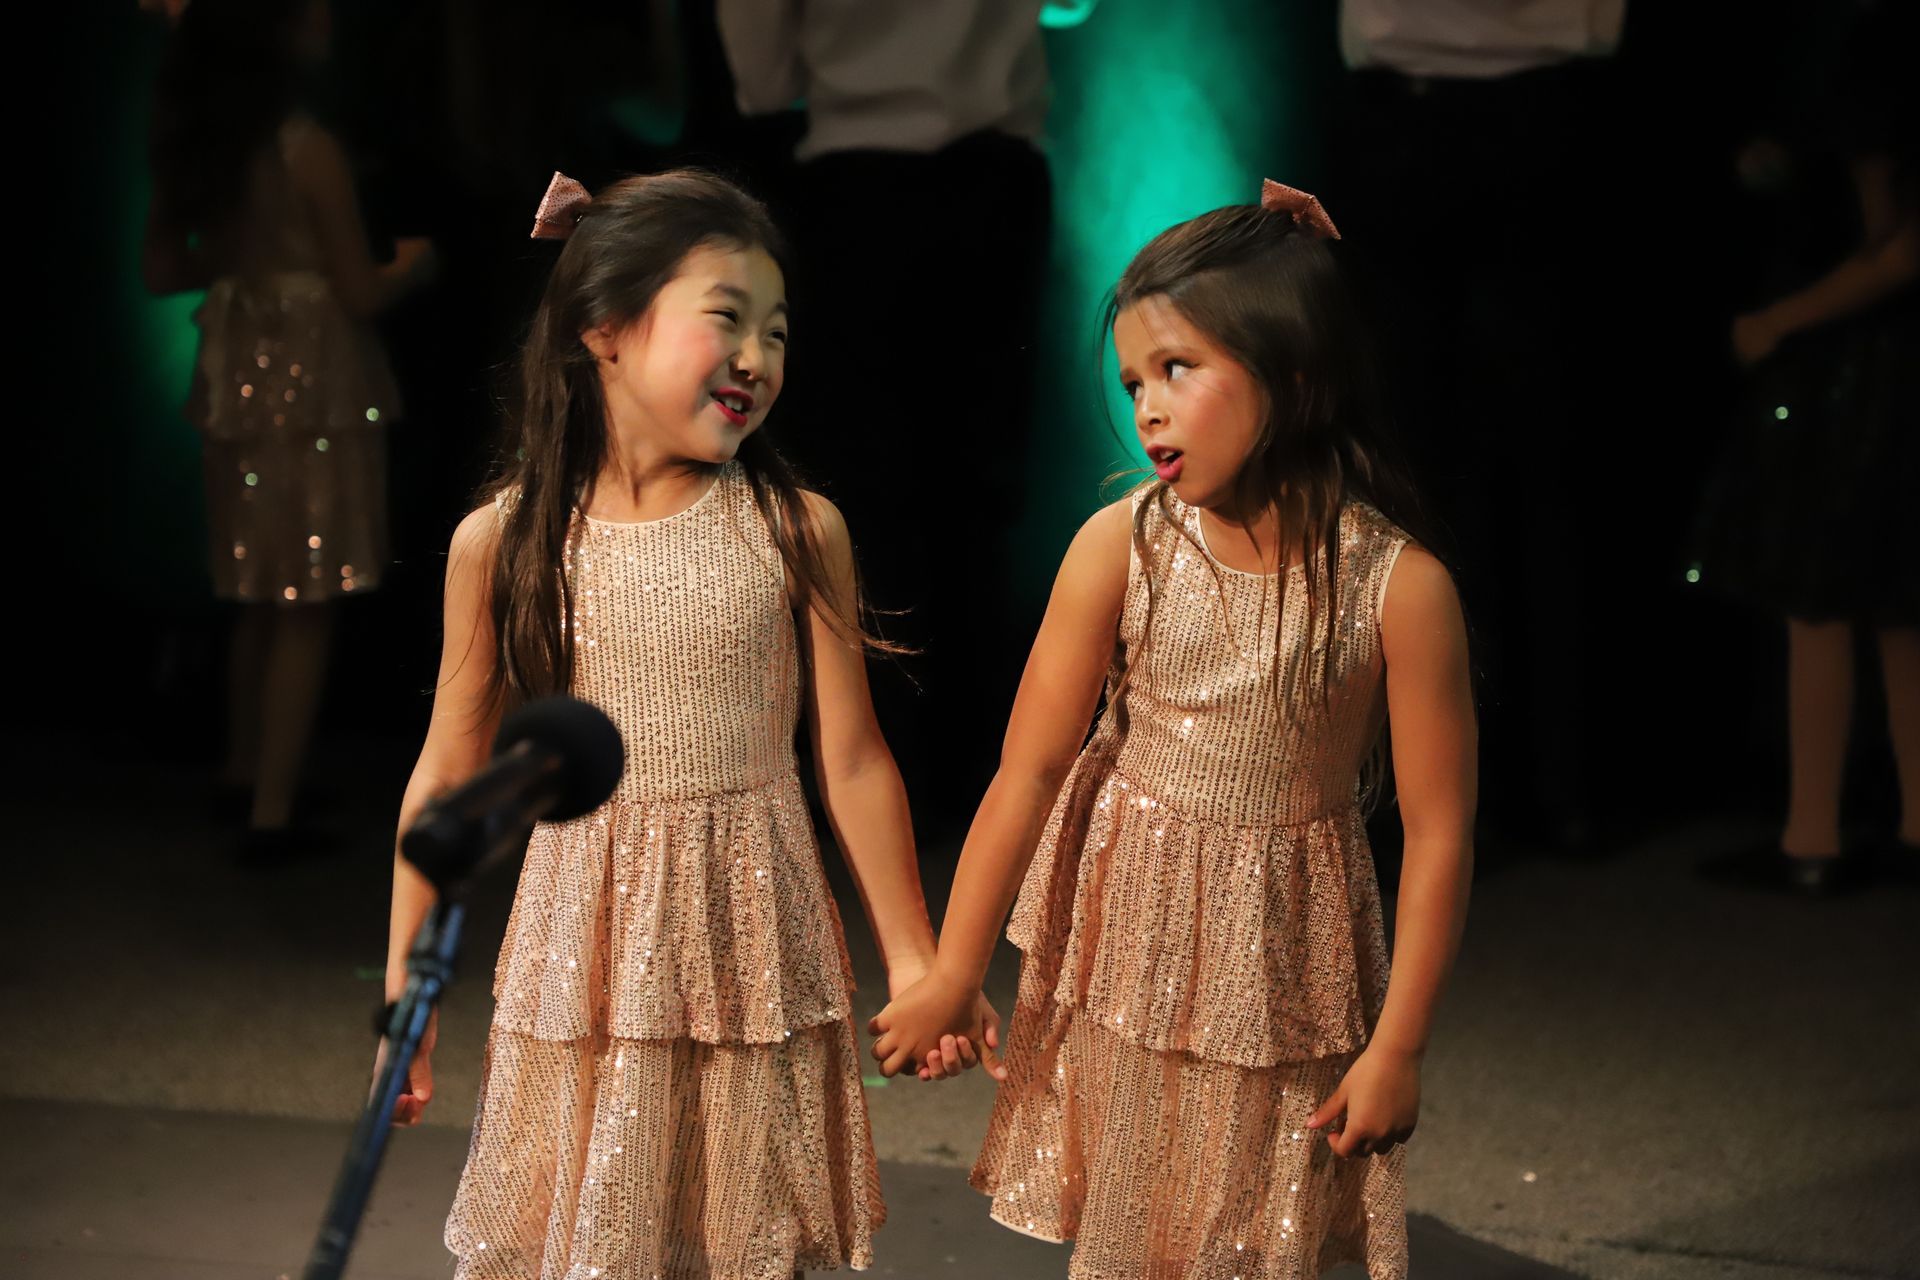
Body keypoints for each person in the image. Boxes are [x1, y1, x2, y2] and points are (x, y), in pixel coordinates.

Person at [871, 184, 1477, 1279]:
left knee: (1258, 1237)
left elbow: (1439, 832)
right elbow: (1028, 767)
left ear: (1293, 373)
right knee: (1136, 1231)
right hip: (1132, 943)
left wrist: (1400, 1045)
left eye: (1177, 370)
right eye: (1133, 382)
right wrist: (957, 967)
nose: (1146, 407)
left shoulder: (1400, 586)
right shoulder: (1121, 544)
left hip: (1288, 957)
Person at [380, 169, 974, 1276]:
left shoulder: (798, 530)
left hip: (754, 941)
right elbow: (445, 778)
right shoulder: (505, 543)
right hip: (589, 949)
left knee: (746, 1236)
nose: (757, 356)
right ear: (604, 328)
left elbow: (849, 759)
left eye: (778, 332)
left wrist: (915, 958)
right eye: (727, 319)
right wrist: (403, 1001)